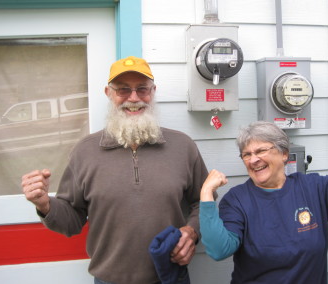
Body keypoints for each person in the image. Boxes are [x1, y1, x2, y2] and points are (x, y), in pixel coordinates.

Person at [21, 56, 208, 284]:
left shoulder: (182, 146)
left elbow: (204, 202)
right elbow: (72, 220)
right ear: (108, 94)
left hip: (171, 276)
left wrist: (192, 231)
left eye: (142, 89)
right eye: (123, 90)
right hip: (109, 280)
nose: (134, 98)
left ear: (153, 91)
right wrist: (44, 204)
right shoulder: (85, 152)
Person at [199, 96, 328, 284]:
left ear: (284, 154)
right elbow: (219, 250)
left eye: (260, 151)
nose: (253, 160)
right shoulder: (237, 200)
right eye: (246, 154)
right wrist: (206, 194)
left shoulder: (314, 188)